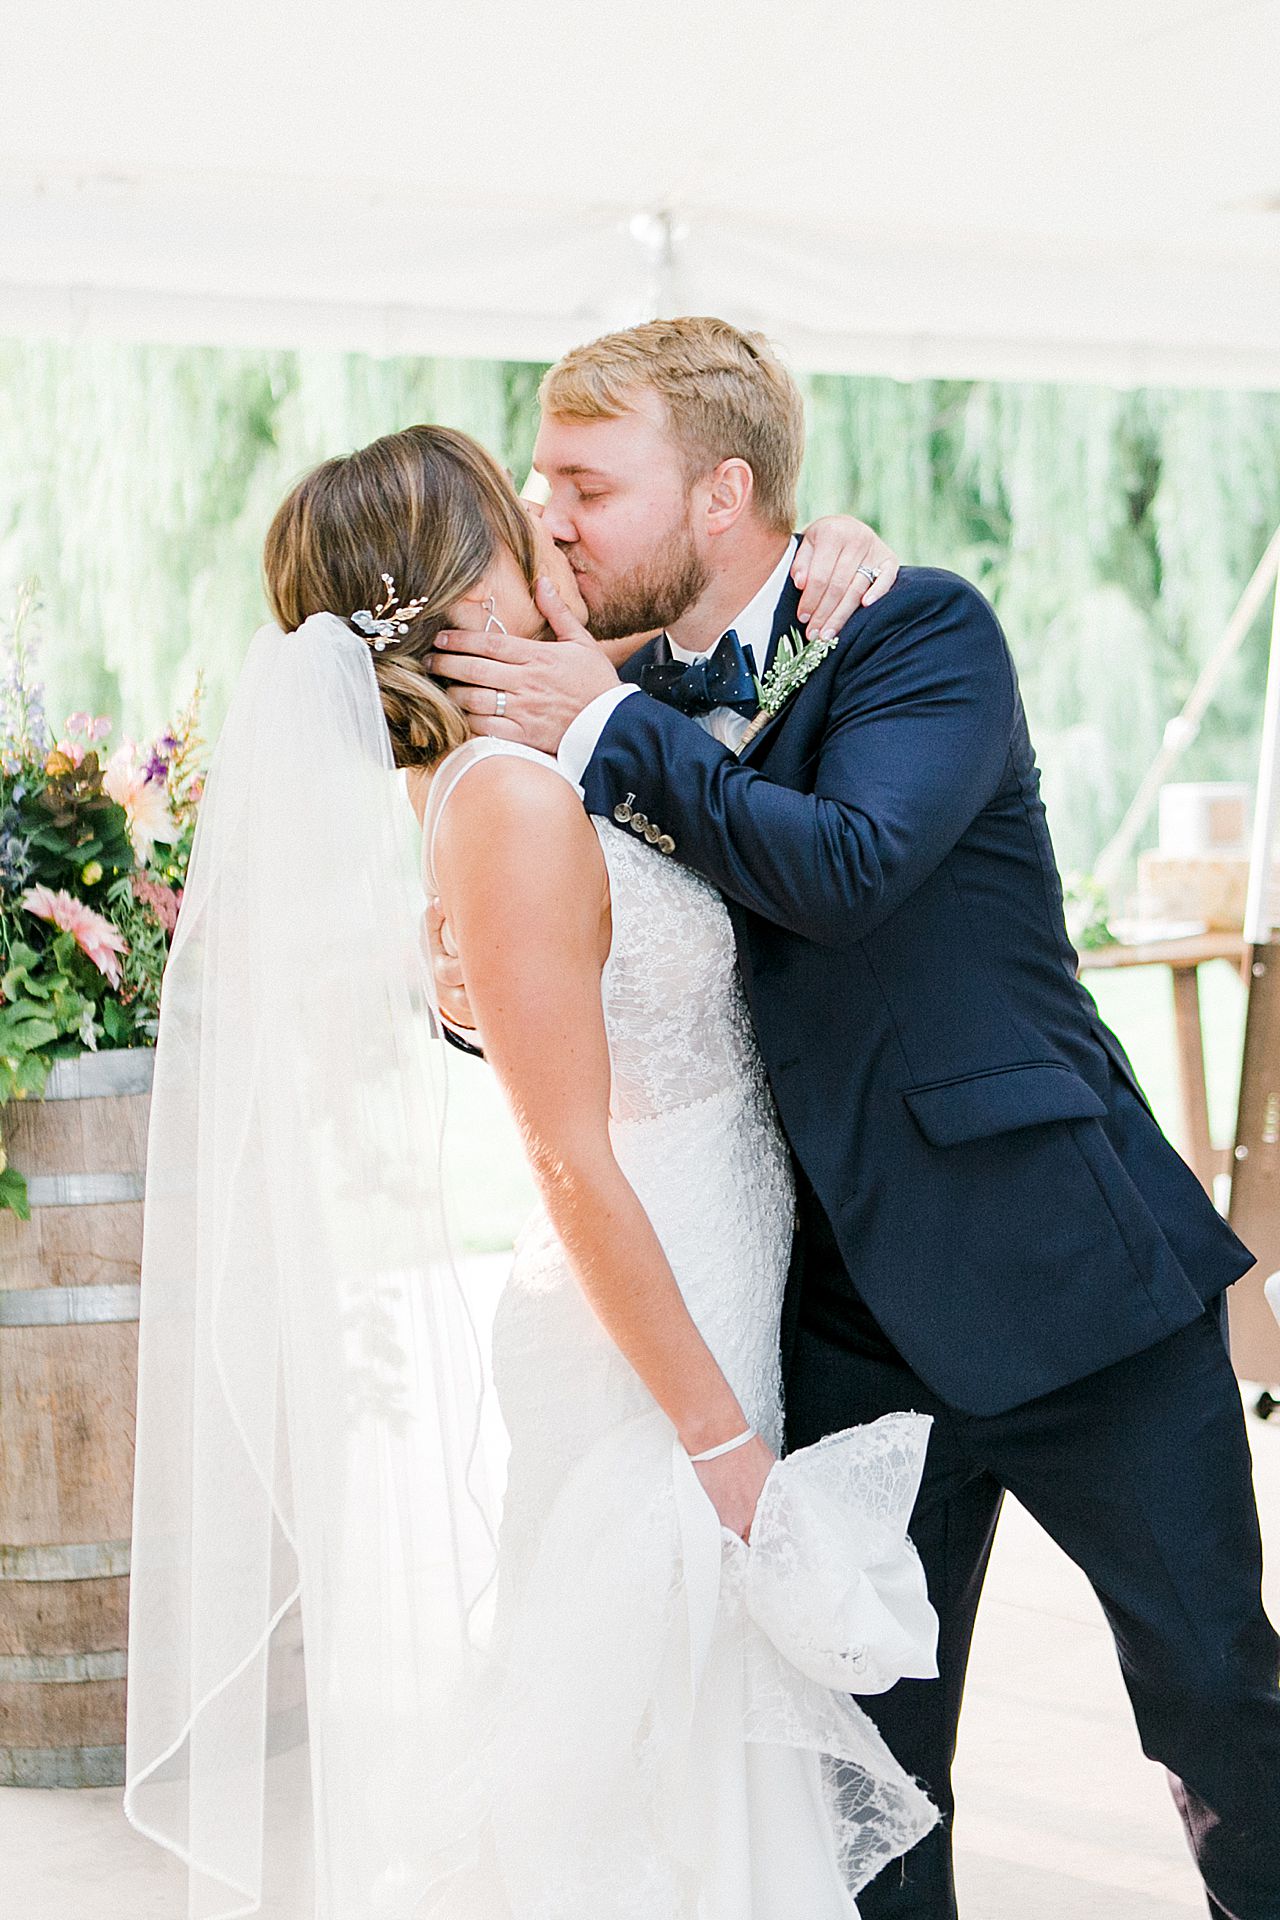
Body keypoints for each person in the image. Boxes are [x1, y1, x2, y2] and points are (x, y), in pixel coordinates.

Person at [426, 315, 1280, 1920]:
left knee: (1221, 1710)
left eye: (587, 485)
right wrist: (463, 970)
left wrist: (606, 728)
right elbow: (609, 959)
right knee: (863, 1788)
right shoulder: (621, 690)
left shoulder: (915, 631)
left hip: (1070, 1278)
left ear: (724, 493)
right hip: (837, 1328)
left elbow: (846, 866)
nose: (547, 515)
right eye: (541, 481)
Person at [123, 421, 940, 1920]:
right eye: (523, 514)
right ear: (460, 580)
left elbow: (734, 665)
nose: (556, 534)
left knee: (681, 1750)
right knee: (613, 1772)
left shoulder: (537, 754)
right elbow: (566, 1157)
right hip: (653, 1339)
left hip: (702, 1286)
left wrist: (839, 550)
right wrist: (720, 1455)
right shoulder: (506, 800)